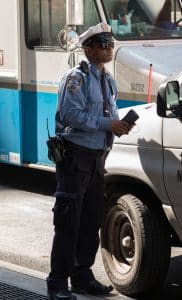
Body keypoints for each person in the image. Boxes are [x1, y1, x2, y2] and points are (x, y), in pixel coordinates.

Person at [46, 22, 132, 300]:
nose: (109, 49)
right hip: (75, 158)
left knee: (90, 221)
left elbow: (107, 113)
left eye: (110, 44)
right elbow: (72, 116)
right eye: (103, 44)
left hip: (97, 158)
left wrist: (119, 125)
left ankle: (81, 277)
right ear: (88, 48)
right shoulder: (77, 78)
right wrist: (109, 124)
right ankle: (57, 284)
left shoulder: (107, 79)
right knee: (68, 221)